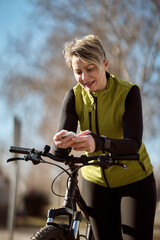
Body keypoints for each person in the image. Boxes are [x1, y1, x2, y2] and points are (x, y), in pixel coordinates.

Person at [52, 34, 157, 240]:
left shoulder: (128, 93)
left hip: (134, 179)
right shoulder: (74, 97)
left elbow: (133, 144)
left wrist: (98, 143)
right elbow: (62, 149)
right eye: (78, 71)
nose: (84, 77)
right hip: (95, 181)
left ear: (105, 64)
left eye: (90, 69)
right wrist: (60, 144)